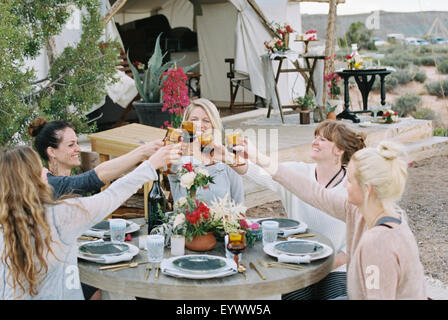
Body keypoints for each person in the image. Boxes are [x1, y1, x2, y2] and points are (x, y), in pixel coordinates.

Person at [245, 138, 426, 299]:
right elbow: (312, 192)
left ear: (367, 189)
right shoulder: (370, 213)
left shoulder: (377, 243)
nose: (344, 185)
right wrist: (257, 157)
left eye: (350, 180)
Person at [0, 143, 181, 299]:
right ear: (32, 179)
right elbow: (112, 195)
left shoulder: (5, 225)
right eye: (40, 168)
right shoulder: (59, 216)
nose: (46, 171)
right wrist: (151, 165)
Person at [236, 120, 366, 300]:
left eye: (322, 139)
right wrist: (230, 159)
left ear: (339, 150)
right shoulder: (297, 171)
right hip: (298, 264)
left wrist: (324, 267)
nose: (315, 142)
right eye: (315, 137)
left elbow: (357, 242)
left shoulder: (351, 186)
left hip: (335, 267)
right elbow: (256, 171)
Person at [28, 117, 164, 199]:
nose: (78, 149)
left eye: (77, 143)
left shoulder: (59, 181)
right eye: (71, 145)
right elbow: (96, 176)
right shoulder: (49, 184)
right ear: (52, 152)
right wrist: (143, 152)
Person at [167, 98, 245, 206]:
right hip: (185, 221)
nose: (199, 125)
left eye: (206, 121)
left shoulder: (227, 158)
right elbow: (167, 169)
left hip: (221, 222)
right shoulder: (177, 157)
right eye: (194, 119)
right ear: (186, 124)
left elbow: (239, 203)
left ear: (213, 126)